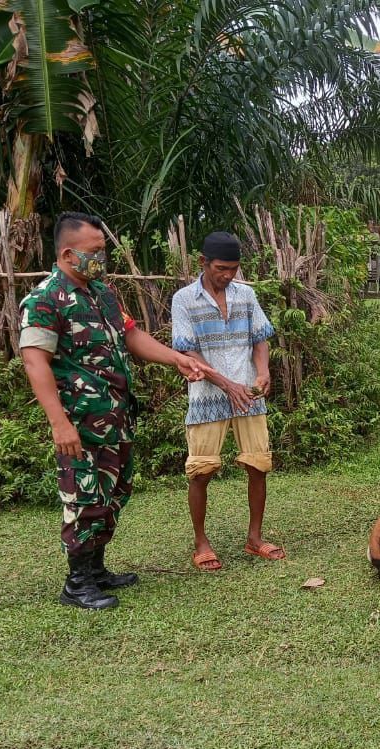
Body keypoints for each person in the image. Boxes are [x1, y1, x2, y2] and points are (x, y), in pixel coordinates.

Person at [20, 211, 213, 610]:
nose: (102, 258)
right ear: (68, 254)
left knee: (114, 492)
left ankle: (96, 570)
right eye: (95, 251)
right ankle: (76, 583)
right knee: (84, 497)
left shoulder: (103, 293)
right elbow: (35, 362)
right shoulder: (45, 299)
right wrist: (59, 423)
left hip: (116, 417)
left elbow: (131, 336)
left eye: (103, 250)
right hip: (80, 422)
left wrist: (176, 359)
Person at [171, 231, 283, 572]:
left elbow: (260, 339)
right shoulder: (184, 299)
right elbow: (186, 351)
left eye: (233, 268)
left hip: (249, 394)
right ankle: (201, 543)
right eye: (221, 268)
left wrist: (262, 372)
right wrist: (226, 384)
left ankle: (255, 538)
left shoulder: (246, 295)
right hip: (206, 397)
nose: (228, 275)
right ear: (203, 263)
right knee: (201, 471)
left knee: (258, 465)